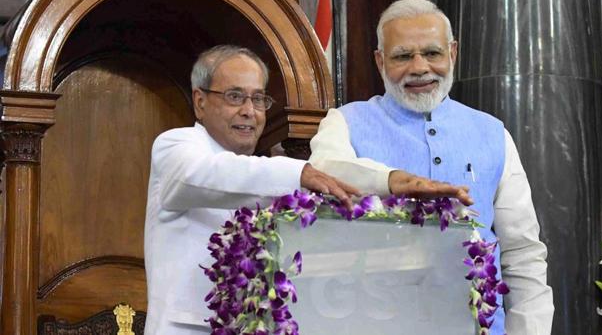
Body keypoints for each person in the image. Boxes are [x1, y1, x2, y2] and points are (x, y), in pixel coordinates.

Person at [144, 44, 472, 334]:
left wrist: (394, 194)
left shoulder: (268, 170)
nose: (249, 110)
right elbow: (208, 175)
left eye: (258, 98)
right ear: (200, 102)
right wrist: (300, 172)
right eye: (234, 96)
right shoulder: (177, 146)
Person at [309, 0, 554, 335]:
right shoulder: (345, 122)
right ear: (380, 61)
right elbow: (325, 170)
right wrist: (390, 180)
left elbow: (522, 252)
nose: (420, 67)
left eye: (433, 53)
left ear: (452, 53)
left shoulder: (493, 133)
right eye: (403, 56)